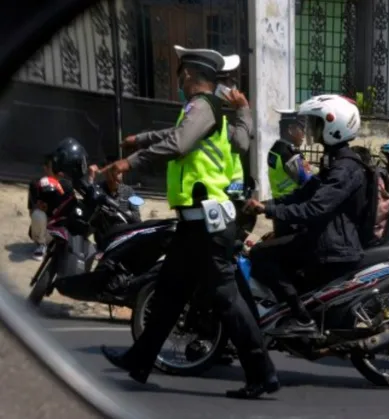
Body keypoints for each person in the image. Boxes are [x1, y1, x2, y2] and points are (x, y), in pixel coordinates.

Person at [99, 45, 278, 399]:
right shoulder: (207, 112)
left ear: (189, 74)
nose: (179, 79)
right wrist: (142, 140)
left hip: (208, 225)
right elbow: (186, 137)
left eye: (181, 73)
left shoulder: (203, 108)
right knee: (169, 292)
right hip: (196, 223)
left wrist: (128, 163)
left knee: (226, 299)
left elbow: (179, 143)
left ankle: (262, 372)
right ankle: (140, 360)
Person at [244, 94, 367, 336]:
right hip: (323, 233)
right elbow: (305, 192)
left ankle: (301, 317)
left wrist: (271, 209)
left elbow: (314, 208)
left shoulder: (344, 167)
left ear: (334, 126)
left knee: (260, 255)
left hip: (333, 243)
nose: (310, 130)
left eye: (316, 124)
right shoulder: (333, 161)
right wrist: (267, 205)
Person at [218, 53, 257, 240]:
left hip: (230, 191)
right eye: (229, 81)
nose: (234, 87)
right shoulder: (212, 119)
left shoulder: (220, 117)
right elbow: (242, 142)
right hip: (219, 197)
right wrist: (243, 108)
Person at [266, 109, 313, 237]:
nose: (303, 134)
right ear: (291, 129)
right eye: (301, 128)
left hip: (280, 207)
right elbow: (309, 182)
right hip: (293, 211)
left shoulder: (275, 149)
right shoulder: (290, 154)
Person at [27, 153, 57, 260]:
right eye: (54, 167)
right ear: (46, 168)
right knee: (37, 214)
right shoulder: (36, 185)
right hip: (46, 229)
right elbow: (32, 213)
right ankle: (41, 244)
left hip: (60, 230)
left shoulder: (65, 185)